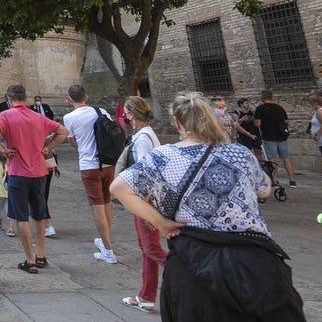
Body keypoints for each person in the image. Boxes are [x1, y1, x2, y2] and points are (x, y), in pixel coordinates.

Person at [110, 92, 304, 322]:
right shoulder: (239, 152)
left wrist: (160, 222)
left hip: (194, 260)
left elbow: (118, 187)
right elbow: (264, 189)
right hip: (254, 261)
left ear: (178, 123)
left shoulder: (163, 157)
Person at [0, 84, 68, 275]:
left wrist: (2, 150)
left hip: (18, 173)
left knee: (21, 216)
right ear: (26, 98)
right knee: (39, 214)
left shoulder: (6, 115)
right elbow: (63, 131)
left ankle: (29, 259)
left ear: (9, 98)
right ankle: (41, 254)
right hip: (39, 172)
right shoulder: (38, 117)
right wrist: (48, 147)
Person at [117, 96, 166, 314]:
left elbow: (147, 173)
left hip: (146, 201)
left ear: (133, 113)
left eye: (126, 111)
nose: (124, 116)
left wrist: (144, 206)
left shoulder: (144, 138)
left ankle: (191, 272)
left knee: (151, 248)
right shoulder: (143, 135)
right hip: (143, 200)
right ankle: (146, 297)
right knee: (147, 249)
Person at [62, 84, 118, 264]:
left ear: (70, 99)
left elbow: (72, 141)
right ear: (86, 96)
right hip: (108, 162)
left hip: (89, 165)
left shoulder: (69, 117)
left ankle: (108, 251)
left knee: (97, 206)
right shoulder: (101, 111)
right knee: (107, 201)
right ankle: (104, 241)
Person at [254, 89, 297, 188]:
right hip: (281, 136)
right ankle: (292, 181)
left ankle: (275, 179)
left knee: (272, 159)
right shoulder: (279, 108)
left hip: (269, 136)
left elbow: (258, 124)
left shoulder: (260, 108)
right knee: (286, 158)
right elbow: (286, 121)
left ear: (262, 97)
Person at [232, 97, 262, 162]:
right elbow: (236, 126)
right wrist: (241, 120)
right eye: (246, 103)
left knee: (258, 152)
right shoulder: (237, 113)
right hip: (243, 136)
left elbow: (257, 123)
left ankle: (261, 166)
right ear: (241, 104)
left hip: (255, 134)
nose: (248, 104)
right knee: (246, 153)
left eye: (248, 103)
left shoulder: (253, 112)